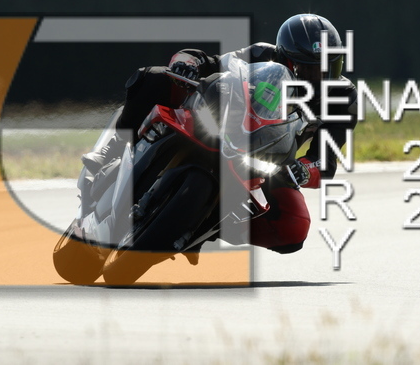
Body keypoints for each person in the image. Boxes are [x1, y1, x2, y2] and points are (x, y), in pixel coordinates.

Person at [83, 14, 358, 255]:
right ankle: (114, 147)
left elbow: (325, 159)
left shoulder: (343, 98)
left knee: (293, 226)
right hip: (224, 125)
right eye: (309, 68)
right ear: (285, 57)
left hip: (271, 159)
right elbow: (211, 62)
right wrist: (187, 63)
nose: (319, 78)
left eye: (328, 67)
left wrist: (303, 170)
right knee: (154, 77)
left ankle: (202, 226)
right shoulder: (262, 55)